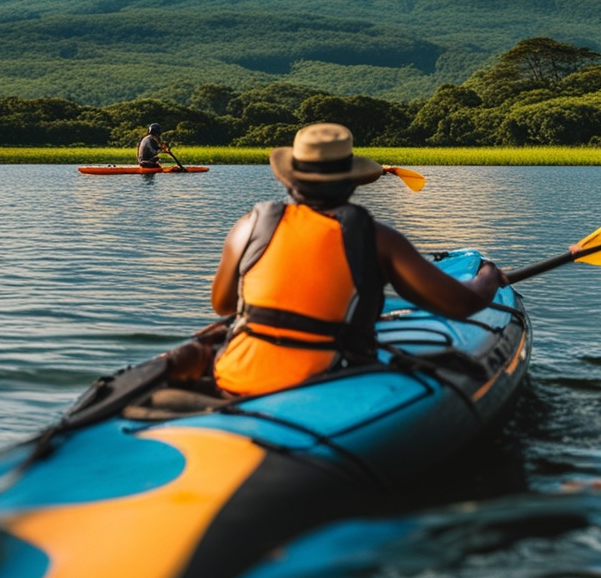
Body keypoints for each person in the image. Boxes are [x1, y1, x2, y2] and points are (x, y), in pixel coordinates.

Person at [202, 122, 508, 397]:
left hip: (232, 375)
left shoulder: (249, 226)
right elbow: (461, 304)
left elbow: (223, 305)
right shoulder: (377, 239)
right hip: (324, 380)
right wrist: (490, 275)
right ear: (352, 183)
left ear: (289, 180)